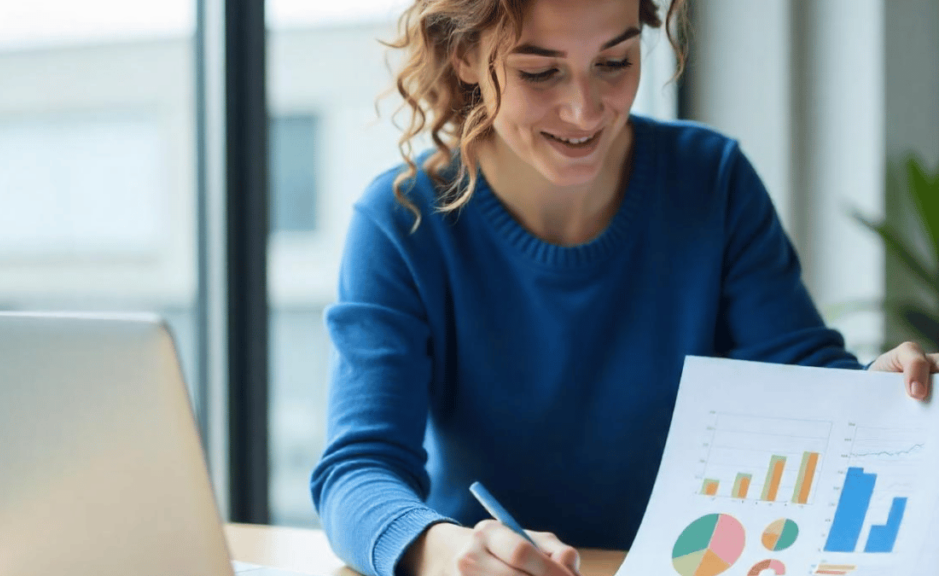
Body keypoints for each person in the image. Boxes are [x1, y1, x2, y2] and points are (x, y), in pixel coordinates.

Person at [309, 1, 939, 576]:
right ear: (465, 56)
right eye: (539, 72)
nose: (586, 110)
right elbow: (357, 471)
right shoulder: (403, 221)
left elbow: (803, 380)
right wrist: (442, 551)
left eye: (614, 61)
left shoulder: (710, 181)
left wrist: (875, 398)